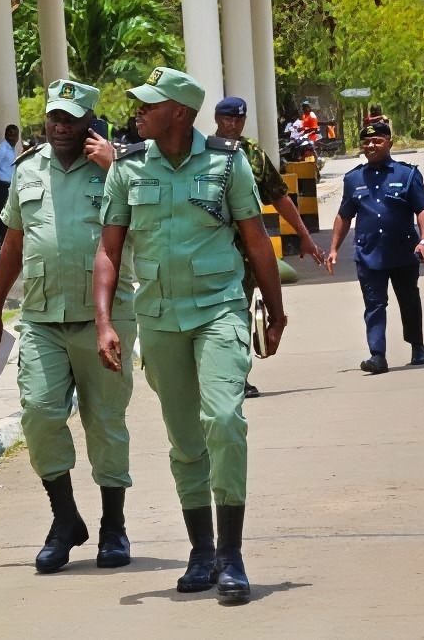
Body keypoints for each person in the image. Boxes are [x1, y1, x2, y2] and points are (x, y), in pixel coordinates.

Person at [94, 68, 286, 604]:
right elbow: (109, 250)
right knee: (184, 440)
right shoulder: (127, 169)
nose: (137, 111)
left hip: (219, 310)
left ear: (179, 112)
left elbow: (256, 239)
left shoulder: (228, 163)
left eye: (147, 105)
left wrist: (275, 310)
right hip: (158, 319)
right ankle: (201, 551)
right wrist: (105, 321)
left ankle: (231, 556)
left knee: (224, 418)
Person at [0, 80, 135, 575]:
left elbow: (152, 221)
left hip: (102, 321)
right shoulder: (27, 170)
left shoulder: (119, 168)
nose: (61, 126)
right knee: (40, 414)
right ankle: (65, 519)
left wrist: (117, 169)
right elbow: (13, 244)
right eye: (54, 117)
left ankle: (114, 526)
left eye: (71, 118)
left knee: (105, 422)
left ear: (91, 120)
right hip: (43, 318)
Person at [212, 96, 326, 398]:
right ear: (216, 118)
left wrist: (305, 235)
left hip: (245, 252)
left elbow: (278, 196)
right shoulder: (203, 152)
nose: (233, 124)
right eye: (227, 118)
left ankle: (238, 377)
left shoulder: (252, 155)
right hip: (207, 250)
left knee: (239, 312)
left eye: (238, 119)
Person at [325, 122, 424, 373]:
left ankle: (417, 345)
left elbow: (423, 209)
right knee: (374, 304)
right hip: (368, 253)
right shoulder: (353, 179)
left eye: (377, 141)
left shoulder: (406, 175)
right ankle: (377, 355)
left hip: (403, 251)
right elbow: (344, 215)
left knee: (409, 300)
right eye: (366, 143)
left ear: (389, 143)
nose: (371, 146)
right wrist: (333, 249)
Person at [0, 124, 20, 249]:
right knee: (3, 214)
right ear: (6, 135)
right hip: (1, 185)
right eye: (10, 134)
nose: (12, 138)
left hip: (9, 185)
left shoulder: (12, 149)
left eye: (15, 135)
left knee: (7, 214)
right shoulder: (2, 149)